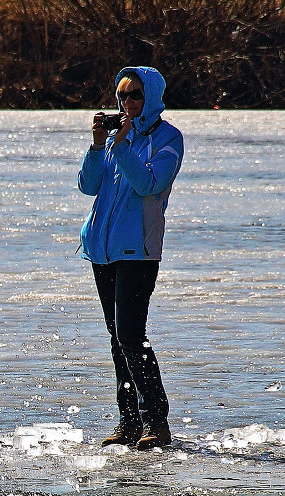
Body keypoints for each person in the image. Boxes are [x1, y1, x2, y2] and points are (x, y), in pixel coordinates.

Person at [77, 66, 185, 450]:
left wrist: (121, 146)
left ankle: (155, 420)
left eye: (135, 95)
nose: (127, 103)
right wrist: (97, 145)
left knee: (130, 335)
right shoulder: (114, 140)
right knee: (116, 338)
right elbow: (88, 185)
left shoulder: (168, 138)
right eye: (122, 96)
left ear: (151, 96)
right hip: (102, 251)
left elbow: (149, 184)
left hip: (138, 251)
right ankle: (129, 421)